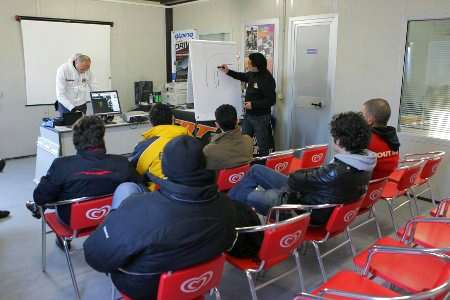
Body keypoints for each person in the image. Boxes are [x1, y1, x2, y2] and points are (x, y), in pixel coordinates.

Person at [83, 136, 238, 300]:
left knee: (126, 192)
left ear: (165, 167)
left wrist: (114, 220)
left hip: (145, 288)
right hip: (201, 282)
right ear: (204, 164)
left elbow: (95, 255)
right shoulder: (227, 205)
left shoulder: (139, 208)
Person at [228, 112, 376, 226]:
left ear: (339, 140)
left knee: (245, 193)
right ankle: (230, 207)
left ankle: (227, 212)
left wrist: (307, 175)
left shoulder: (335, 172)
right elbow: (307, 179)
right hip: (312, 195)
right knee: (257, 169)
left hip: (299, 209)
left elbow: (295, 179)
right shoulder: (365, 161)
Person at [26, 116, 139, 249]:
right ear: (102, 138)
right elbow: (138, 188)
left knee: (53, 193)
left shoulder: (62, 165)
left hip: (71, 221)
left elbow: (40, 197)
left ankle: (63, 237)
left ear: (75, 140)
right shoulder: (122, 163)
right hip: (112, 217)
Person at [219, 52, 276, 156]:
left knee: (262, 145)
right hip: (249, 116)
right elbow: (242, 76)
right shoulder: (252, 73)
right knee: (244, 141)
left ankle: (263, 167)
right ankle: (245, 163)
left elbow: (271, 100)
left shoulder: (267, 79)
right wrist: (228, 71)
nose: (247, 65)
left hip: (261, 118)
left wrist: (253, 104)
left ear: (256, 65)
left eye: (249, 63)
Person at [129, 103, 189, 191]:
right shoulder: (191, 139)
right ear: (173, 119)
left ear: (150, 121)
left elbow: (134, 172)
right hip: (188, 192)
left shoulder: (145, 146)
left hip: (158, 194)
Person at [203, 104, 253, 170]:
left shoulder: (208, 150)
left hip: (221, 180)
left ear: (217, 124)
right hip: (244, 178)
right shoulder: (248, 140)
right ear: (237, 121)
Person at [362, 98, 400, 179]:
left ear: (369, 119)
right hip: (388, 183)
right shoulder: (392, 136)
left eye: (363, 115)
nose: (361, 118)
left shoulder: (365, 139)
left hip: (370, 186)